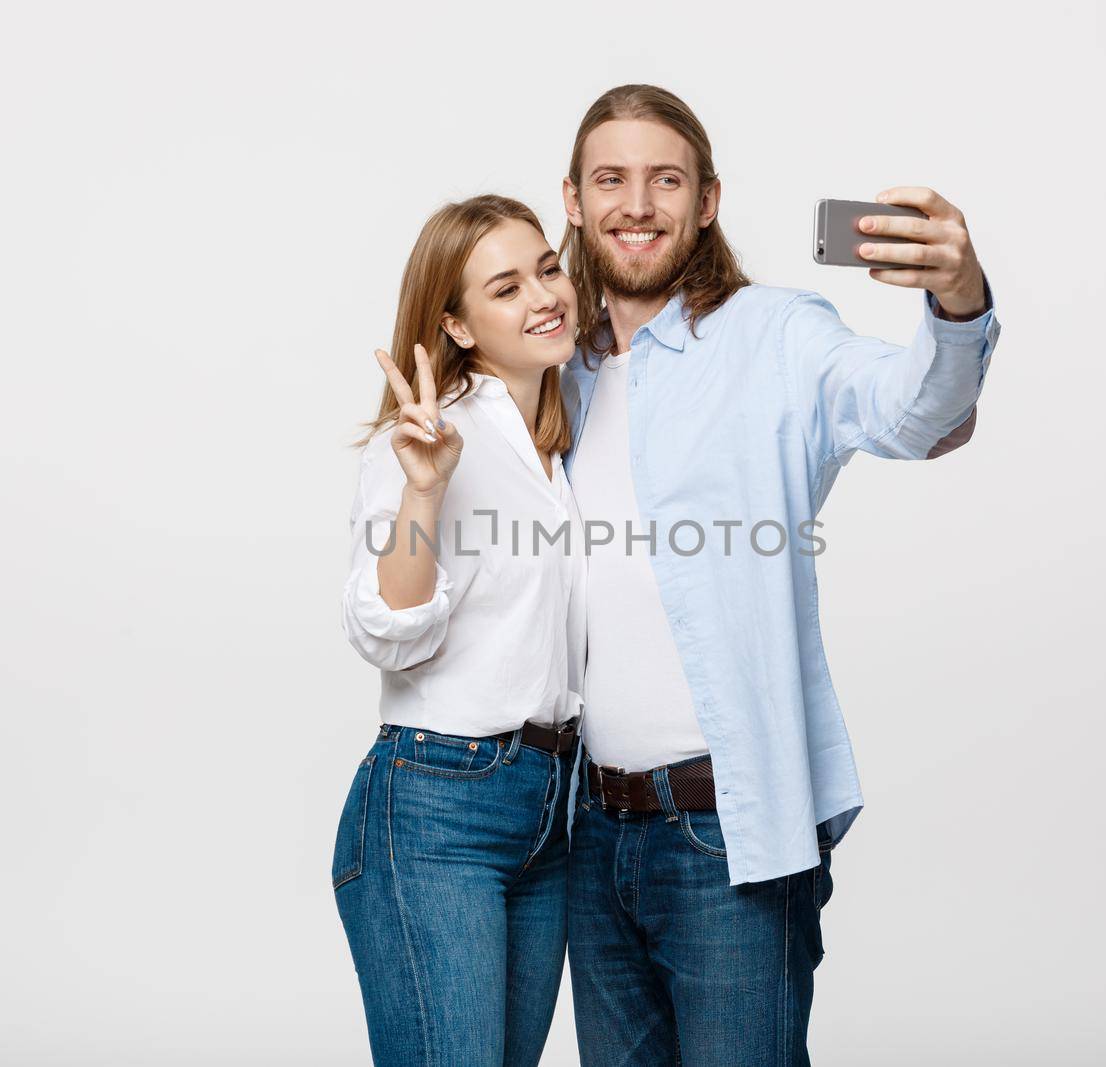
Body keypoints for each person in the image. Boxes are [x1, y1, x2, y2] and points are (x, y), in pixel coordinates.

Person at [556, 85, 1003, 1065]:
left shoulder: (775, 335)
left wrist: (956, 297)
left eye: (664, 178)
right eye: (611, 179)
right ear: (575, 200)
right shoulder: (554, 370)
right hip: (587, 835)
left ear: (706, 200)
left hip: (727, 834)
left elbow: (914, 412)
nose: (637, 203)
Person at [331, 194, 586, 1067]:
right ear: (458, 325)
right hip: (439, 801)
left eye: (548, 269)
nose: (544, 296)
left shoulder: (568, 434)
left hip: (553, 806)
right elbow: (386, 628)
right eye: (506, 288)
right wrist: (426, 488)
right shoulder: (426, 439)